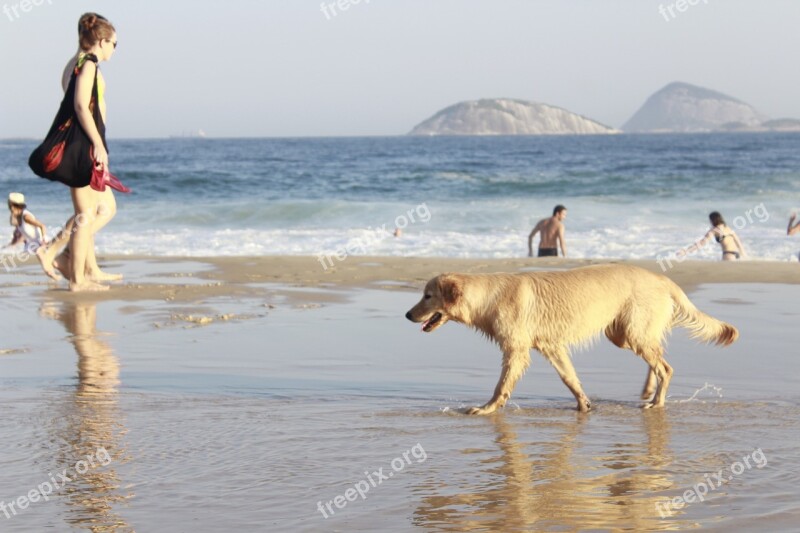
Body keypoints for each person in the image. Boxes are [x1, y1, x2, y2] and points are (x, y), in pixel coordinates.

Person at [45, 13, 120, 291]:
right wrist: (98, 145)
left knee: (94, 211)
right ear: (101, 41)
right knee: (88, 214)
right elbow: (80, 108)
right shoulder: (87, 65)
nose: (115, 49)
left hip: (85, 144)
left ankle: (84, 267)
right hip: (85, 146)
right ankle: (64, 261)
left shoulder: (74, 65)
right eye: (114, 43)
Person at [5, 193, 61, 280]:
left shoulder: (26, 216)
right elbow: (19, 233)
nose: (9, 207)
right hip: (32, 244)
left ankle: (58, 277)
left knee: (46, 264)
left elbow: (42, 226)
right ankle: (58, 277)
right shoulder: (17, 217)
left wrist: (43, 240)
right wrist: (12, 244)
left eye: (10, 205)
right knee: (50, 265)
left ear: (13, 205)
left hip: (41, 242)